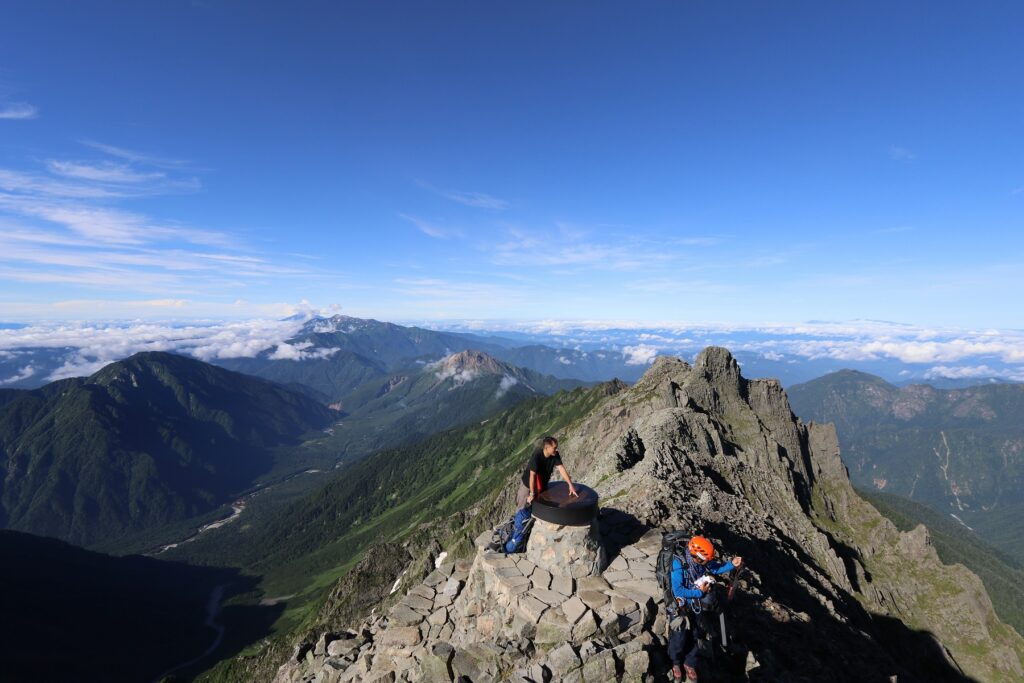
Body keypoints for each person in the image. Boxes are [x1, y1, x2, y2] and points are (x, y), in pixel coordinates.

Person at [668, 535, 744, 682]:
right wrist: (699, 592)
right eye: (704, 560)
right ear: (696, 556)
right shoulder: (678, 564)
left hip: (697, 604)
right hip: (681, 605)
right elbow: (678, 591)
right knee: (679, 637)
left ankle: (689, 663)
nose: (706, 563)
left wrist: (732, 564)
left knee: (698, 634)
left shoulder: (701, 562)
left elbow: (715, 568)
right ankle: (676, 663)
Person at [515, 436, 578, 508]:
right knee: (522, 507)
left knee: (540, 506)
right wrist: (532, 494)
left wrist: (570, 485)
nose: (556, 449)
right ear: (546, 447)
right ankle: (519, 518)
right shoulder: (537, 455)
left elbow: (561, 468)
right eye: (554, 448)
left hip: (541, 485)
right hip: (528, 485)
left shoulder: (555, 455)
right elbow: (532, 475)